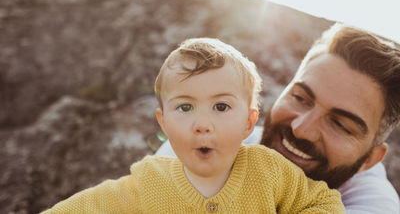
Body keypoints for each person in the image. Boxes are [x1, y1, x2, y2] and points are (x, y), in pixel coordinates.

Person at [41, 38, 345, 213]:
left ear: (248, 123)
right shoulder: (149, 181)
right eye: (185, 107)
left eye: (222, 107)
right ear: (163, 123)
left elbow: (324, 201)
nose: (202, 124)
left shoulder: (269, 170)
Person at [157, 24, 400, 213]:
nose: (302, 128)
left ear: (370, 159)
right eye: (300, 98)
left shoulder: (373, 205)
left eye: (339, 124)